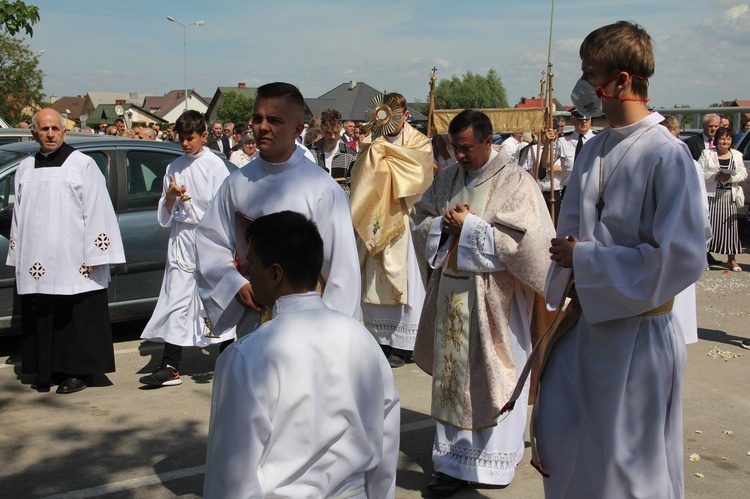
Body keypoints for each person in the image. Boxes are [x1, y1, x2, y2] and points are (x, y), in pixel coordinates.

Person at [536, 21, 708, 498]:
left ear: (624, 80)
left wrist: (585, 260)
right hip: (587, 328)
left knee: (630, 471)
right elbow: (572, 230)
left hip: (637, 336)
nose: (584, 86)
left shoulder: (667, 155)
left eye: (591, 73)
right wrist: (566, 262)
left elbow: (680, 258)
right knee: (574, 453)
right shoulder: (593, 150)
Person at [203, 211, 400, 498]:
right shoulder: (362, 340)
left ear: (275, 273)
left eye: (251, 264)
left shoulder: (245, 357)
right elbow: (387, 436)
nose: (245, 273)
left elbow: (232, 475)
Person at [410, 109, 555, 495]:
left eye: (466, 148)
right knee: (453, 380)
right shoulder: (447, 178)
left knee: (494, 379)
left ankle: (492, 464)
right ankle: (451, 464)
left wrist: (470, 227)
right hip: (452, 301)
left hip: (498, 306)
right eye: (454, 148)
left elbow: (529, 247)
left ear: (488, 141)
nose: (459, 155)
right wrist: (443, 224)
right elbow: (420, 220)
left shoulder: (515, 182)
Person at [195, 82, 360, 339]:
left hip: (307, 330)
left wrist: (333, 338)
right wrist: (234, 283)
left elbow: (342, 273)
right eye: (258, 118)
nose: (263, 127)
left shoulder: (321, 189)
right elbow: (210, 241)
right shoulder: (236, 183)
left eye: (274, 120)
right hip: (253, 324)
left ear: (297, 129)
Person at [7, 108, 125, 394]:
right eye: (44, 129)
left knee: (74, 317)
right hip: (38, 259)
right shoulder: (25, 168)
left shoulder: (82, 165)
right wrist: (18, 254)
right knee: (47, 314)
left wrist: (95, 256)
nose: (50, 134)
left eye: (55, 129)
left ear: (64, 131)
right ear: (34, 132)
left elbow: (98, 211)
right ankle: (49, 369)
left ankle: (78, 372)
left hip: (74, 257)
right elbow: (18, 216)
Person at [139, 110, 233, 388]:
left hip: (208, 239)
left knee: (213, 301)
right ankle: (170, 365)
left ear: (204, 136)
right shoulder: (173, 167)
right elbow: (164, 215)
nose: (185, 144)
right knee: (176, 300)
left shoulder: (215, 166)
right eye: (181, 139)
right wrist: (170, 197)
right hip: (182, 240)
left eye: (190, 138)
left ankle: (227, 356)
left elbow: (224, 206)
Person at [350, 92, 434, 368]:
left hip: (404, 217)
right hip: (375, 219)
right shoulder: (370, 143)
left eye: (397, 116)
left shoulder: (418, 142)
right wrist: (375, 156)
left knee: (406, 276)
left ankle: (404, 344)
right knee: (374, 277)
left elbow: (420, 176)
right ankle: (379, 339)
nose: (391, 123)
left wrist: (386, 158)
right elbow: (360, 179)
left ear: (406, 115)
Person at [700, 126, 747, 272]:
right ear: (716, 140)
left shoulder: (737, 155)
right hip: (712, 196)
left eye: (728, 138)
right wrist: (715, 177)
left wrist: (731, 177)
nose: (725, 141)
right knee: (709, 227)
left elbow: (743, 174)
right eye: (722, 138)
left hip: (729, 196)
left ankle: (731, 259)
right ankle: (703, 258)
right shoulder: (707, 153)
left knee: (730, 229)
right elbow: (698, 172)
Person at [308, 108, 358, 194]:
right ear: (321, 128)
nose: (333, 136)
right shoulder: (310, 152)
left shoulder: (351, 155)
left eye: (336, 132)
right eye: (328, 132)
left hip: (341, 204)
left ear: (341, 128)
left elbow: (355, 186)